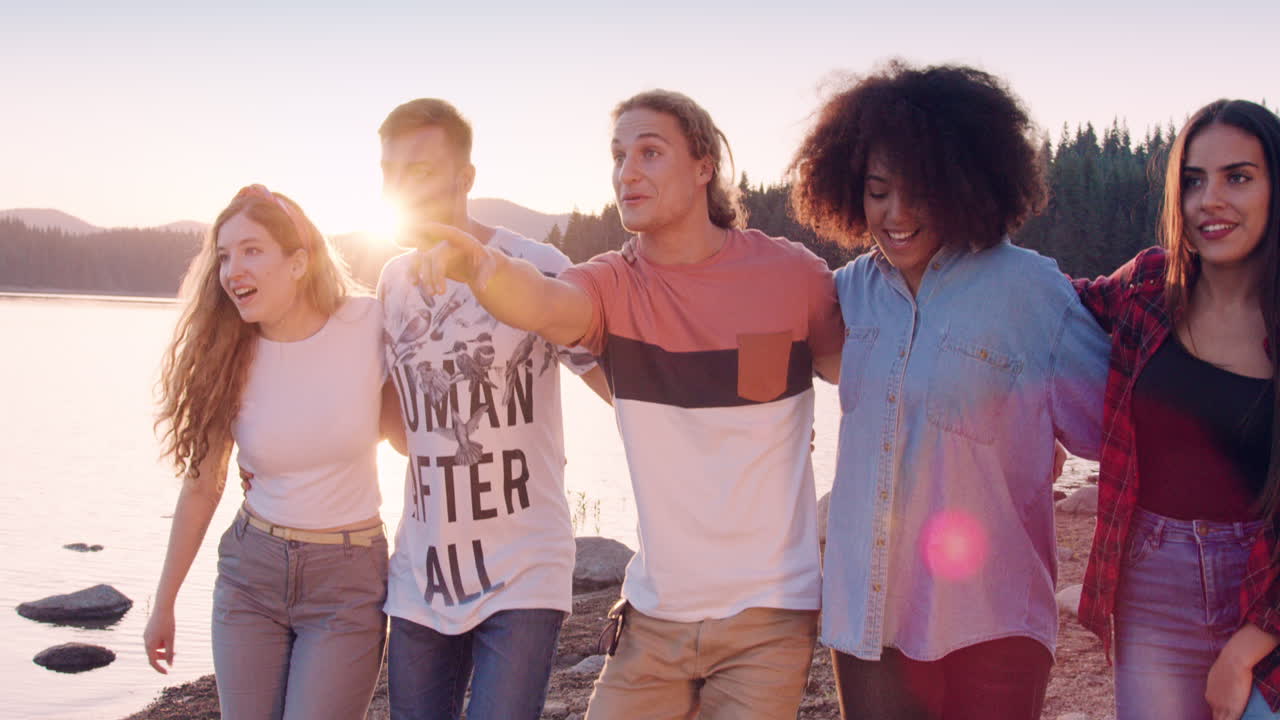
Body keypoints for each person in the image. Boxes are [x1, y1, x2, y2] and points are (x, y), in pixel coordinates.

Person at [409, 89, 844, 719]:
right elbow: (544, 302)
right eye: (618, 156)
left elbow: (865, 385)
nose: (627, 172)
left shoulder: (790, 276)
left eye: (649, 152)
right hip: (652, 620)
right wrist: (481, 267)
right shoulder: (612, 282)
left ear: (704, 166)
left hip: (768, 620)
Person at [787, 61, 1110, 719]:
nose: (896, 215)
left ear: (967, 183)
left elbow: (1115, 430)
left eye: (920, 191)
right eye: (878, 192)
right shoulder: (845, 295)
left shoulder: (1031, 294)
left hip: (992, 621)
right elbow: (768, 386)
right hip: (870, 620)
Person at [375, 98, 610, 720]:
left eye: (421, 170)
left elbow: (619, 388)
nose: (401, 185)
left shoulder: (537, 266)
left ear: (465, 179)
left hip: (522, 573)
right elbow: (403, 433)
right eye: (390, 171)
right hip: (420, 579)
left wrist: (729, 430)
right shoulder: (393, 284)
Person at [144, 185, 394, 719]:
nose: (233, 269)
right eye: (225, 255)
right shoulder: (226, 354)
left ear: (299, 261)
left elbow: (429, 414)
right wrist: (162, 604)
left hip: (346, 582)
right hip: (250, 576)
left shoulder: (369, 324)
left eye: (252, 250)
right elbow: (201, 485)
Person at [1074, 99, 1280, 720]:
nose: (1209, 200)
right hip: (1150, 584)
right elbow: (1051, 313)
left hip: (1264, 587)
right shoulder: (1148, 289)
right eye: (1193, 181)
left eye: (1237, 177)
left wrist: (1249, 648)